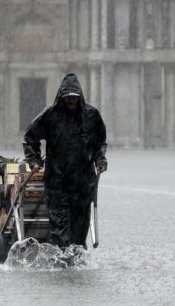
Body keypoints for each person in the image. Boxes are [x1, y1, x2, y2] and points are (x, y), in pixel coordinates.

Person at [22, 72, 108, 249]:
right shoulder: (51, 115)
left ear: (80, 97)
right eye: (68, 97)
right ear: (62, 96)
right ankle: (61, 263)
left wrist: (100, 160)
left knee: (79, 233)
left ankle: (75, 262)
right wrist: (34, 160)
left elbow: (99, 143)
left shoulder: (91, 116)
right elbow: (30, 137)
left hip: (83, 185)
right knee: (60, 232)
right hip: (57, 184)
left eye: (74, 97)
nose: (71, 101)